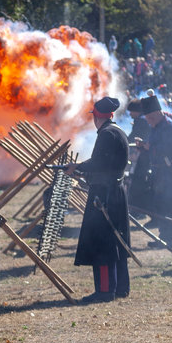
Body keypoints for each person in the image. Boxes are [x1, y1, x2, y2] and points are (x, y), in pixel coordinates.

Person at [69, 97, 130, 303]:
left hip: (104, 194)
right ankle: (120, 287)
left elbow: (97, 163)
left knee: (104, 243)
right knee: (116, 240)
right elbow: (105, 164)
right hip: (114, 191)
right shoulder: (117, 132)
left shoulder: (106, 134)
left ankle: (105, 290)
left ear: (97, 116)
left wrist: (77, 168)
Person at [134, 95, 172, 245]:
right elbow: (153, 149)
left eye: (151, 117)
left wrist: (148, 147)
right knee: (161, 205)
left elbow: (168, 150)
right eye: (147, 118)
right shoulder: (156, 127)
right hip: (160, 173)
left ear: (158, 112)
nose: (149, 121)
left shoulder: (170, 127)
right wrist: (143, 148)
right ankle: (164, 237)